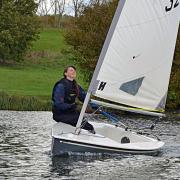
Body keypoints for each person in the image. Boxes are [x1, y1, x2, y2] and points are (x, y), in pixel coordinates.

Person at [52, 65, 95, 134]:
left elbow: (83, 97)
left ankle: (88, 134)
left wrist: (92, 104)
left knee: (84, 121)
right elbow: (58, 104)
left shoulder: (75, 86)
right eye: (71, 70)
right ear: (65, 73)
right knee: (86, 125)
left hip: (71, 112)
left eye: (74, 71)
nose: (74, 71)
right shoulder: (61, 86)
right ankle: (91, 133)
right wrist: (73, 106)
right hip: (60, 114)